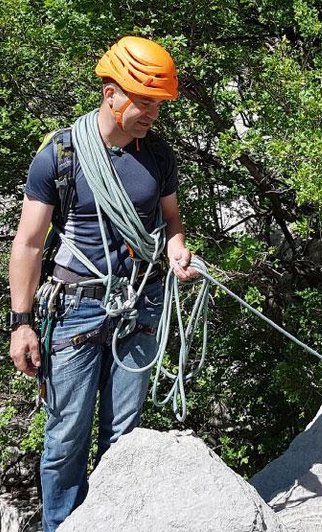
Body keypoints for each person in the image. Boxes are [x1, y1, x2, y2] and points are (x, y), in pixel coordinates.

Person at [7, 36, 195, 531]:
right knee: (67, 436)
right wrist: (21, 324)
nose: (152, 113)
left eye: (158, 104)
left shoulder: (157, 157)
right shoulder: (60, 156)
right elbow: (28, 243)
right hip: (77, 310)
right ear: (110, 91)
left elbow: (172, 222)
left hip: (138, 304)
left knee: (123, 434)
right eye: (144, 100)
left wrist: (177, 251)